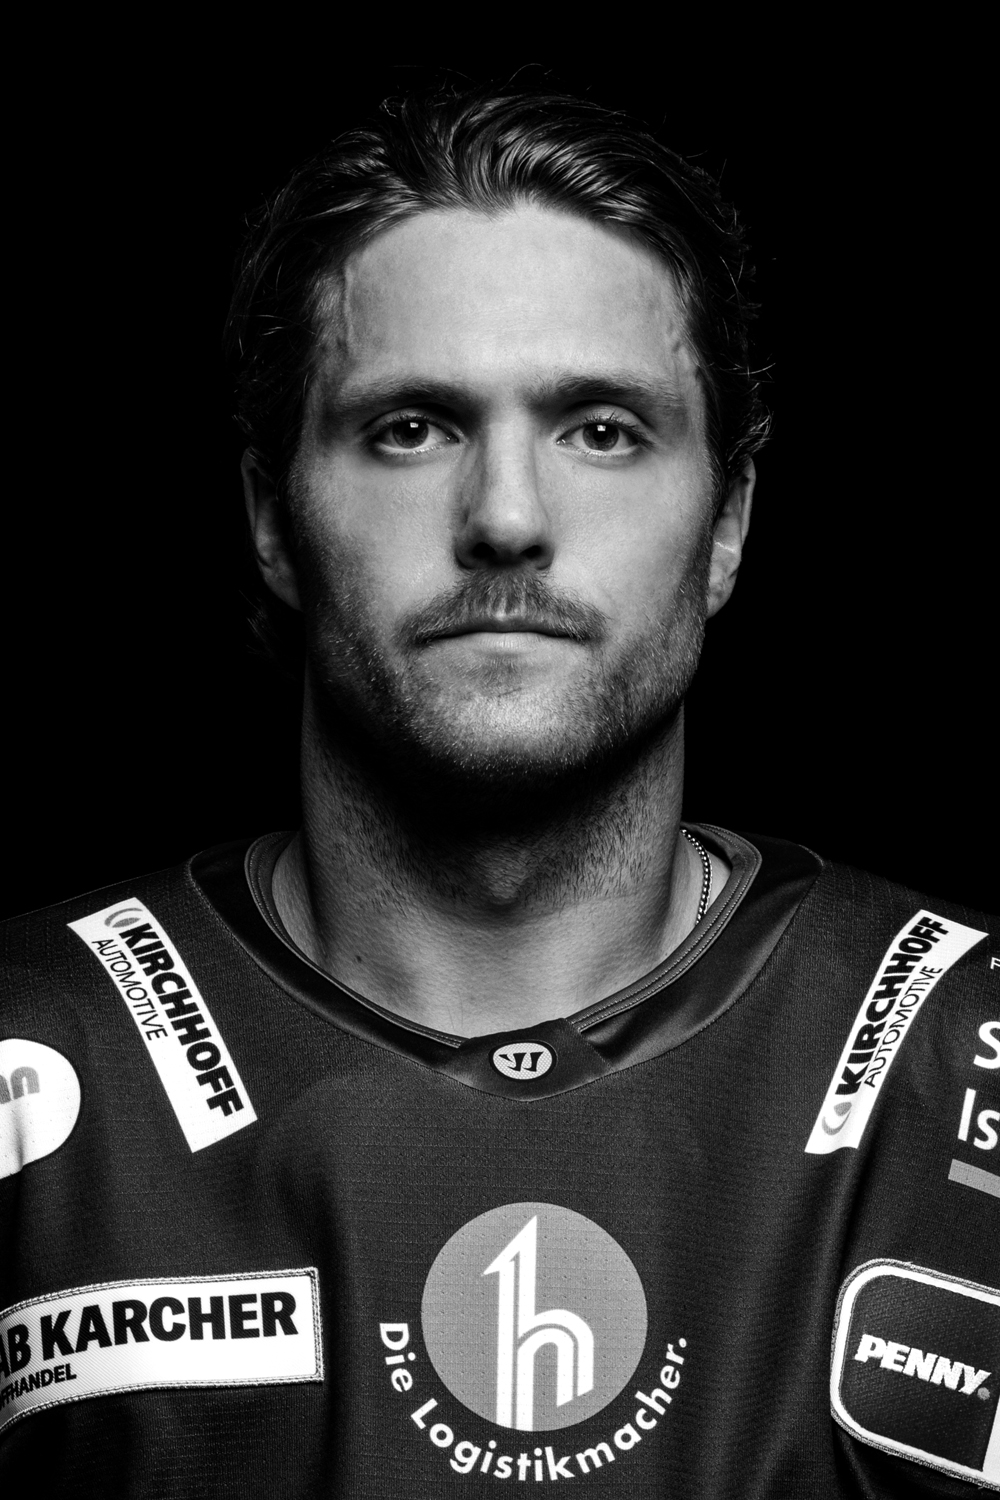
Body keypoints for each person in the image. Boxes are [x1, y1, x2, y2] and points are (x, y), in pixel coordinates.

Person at [1, 82, 996, 1498]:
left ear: (728, 524)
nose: (508, 519)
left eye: (602, 429)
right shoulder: (37, 1055)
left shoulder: (960, 1053)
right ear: (273, 517)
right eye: (413, 428)